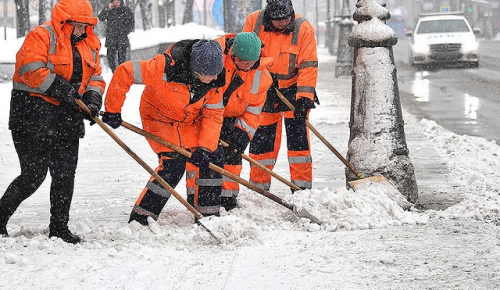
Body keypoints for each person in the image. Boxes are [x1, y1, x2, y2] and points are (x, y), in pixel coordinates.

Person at [0, 0, 105, 243]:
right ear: (65, 22)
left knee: (65, 173)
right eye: (78, 25)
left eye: (86, 26)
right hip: (32, 114)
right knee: (33, 174)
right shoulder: (42, 35)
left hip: (67, 116)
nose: (82, 30)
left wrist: (91, 99)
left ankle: (59, 227)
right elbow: (29, 68)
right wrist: (60, 87)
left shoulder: (89, 43)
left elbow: (96, 75)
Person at [101, 39, 226, 225]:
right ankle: (142, 217)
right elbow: (124, 72)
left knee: (213, 156)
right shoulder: (162, 67)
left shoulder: (215, 79)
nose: (214, 78)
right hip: (159, 119)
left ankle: (207, 213)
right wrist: (112, 109)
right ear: (195, 69)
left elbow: (213, 116)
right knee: (173, 165)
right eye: (209, 75)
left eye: (216, 73)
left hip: (188, 121)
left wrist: (205, 149)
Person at [243, 0, 319, 192]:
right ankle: (259, 188)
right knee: (262, 142)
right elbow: (246, 56)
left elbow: (308, 65)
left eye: (285, 19)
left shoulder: (303, 28)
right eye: (277, 19)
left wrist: (304, 98)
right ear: (269, 14)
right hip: (265, 91)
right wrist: (263, 83)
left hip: (294, 90)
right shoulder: (254, 22)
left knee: (298, 142)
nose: (281, 23)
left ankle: (302, 189)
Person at [214, 32, 273, 211]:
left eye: (251, 63)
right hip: (210, 116)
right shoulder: (217, 61)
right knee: (206, 157)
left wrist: (242, 134)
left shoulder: (262, 78)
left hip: (234, 120)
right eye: (243, 62)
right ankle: (200, 197)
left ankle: (228, 198)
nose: (247, 67)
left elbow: (253, 112)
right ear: (233, 55)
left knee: (232, 156)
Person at [98, 0, 134, 72]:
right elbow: (101, 17)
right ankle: (114, 72)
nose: (116, 3)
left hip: (122, 38)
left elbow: (131, 23)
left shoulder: (125, 10)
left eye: (118, 1)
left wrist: (125, 31)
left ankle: (121, 73)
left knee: (122, 59)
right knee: (110, 58)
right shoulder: (110, 10)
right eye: (115, 1)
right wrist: (107, 9)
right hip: (111, 38)